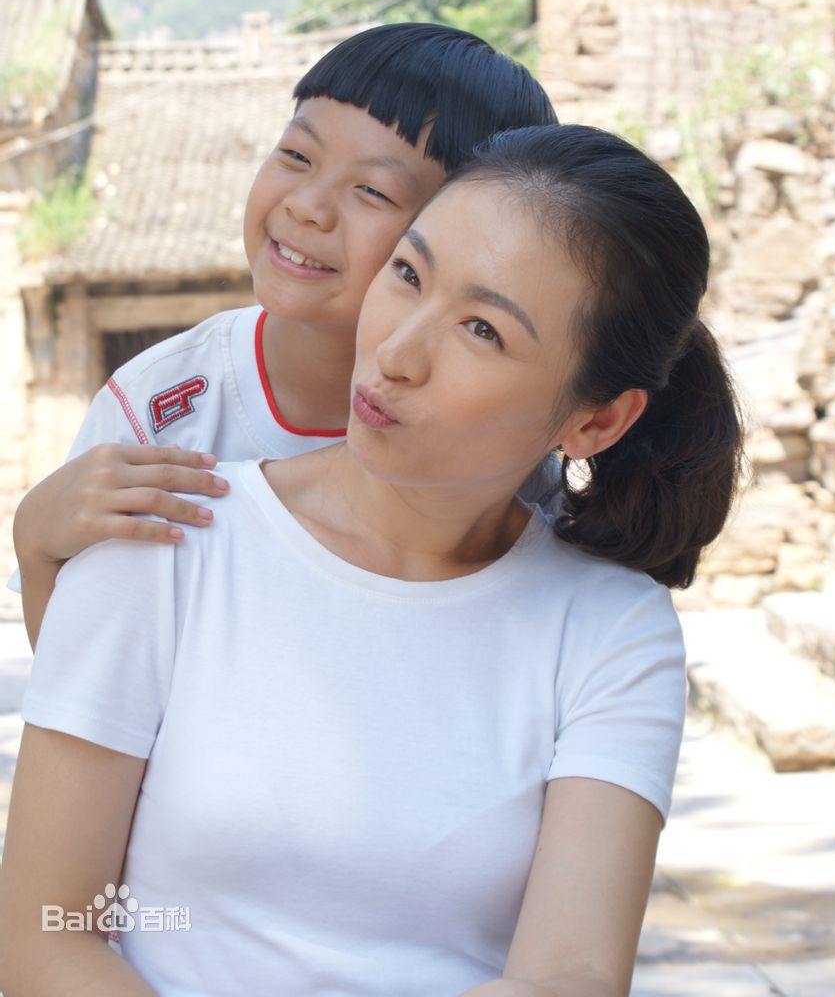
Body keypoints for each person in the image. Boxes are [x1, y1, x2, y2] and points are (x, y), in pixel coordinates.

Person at [0, 125, 743, 997]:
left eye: (481, 329)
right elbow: (46, 935)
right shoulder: (166, 536)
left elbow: (567, 976)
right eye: (407, 274)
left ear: (597, 421)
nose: (395, 353)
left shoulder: (611, 633)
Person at [10, 22, 557, 648]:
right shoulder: (158, 408)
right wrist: (36, 539)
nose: (307, 206)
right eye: (296, 155)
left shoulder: (494, 445)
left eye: (372, 191)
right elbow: (79, 673)